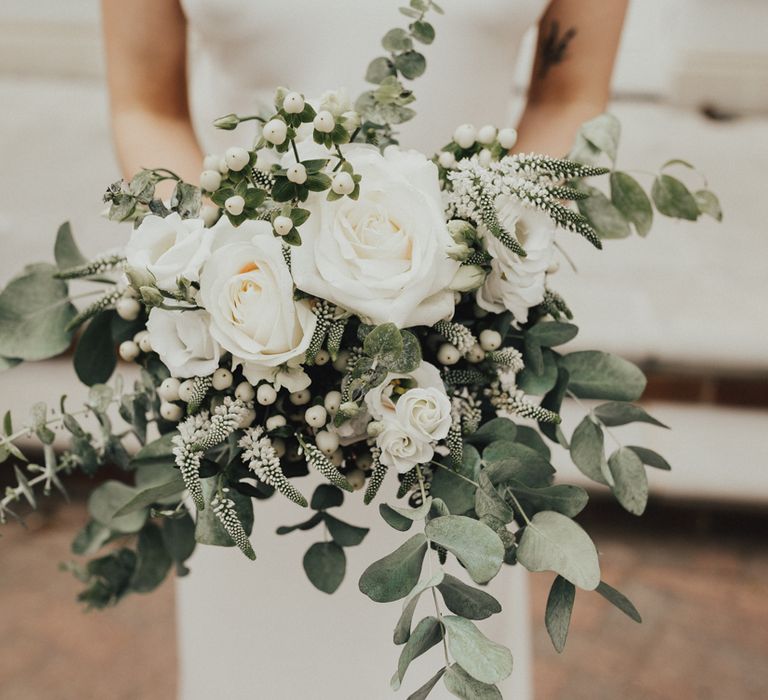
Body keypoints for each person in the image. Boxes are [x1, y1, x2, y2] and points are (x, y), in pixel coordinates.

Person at [101, 2, 628, 698]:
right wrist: (225, 278)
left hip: (461, 385)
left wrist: (472, 259)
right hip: (252, 376)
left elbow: (571, 94)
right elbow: (146, 103)